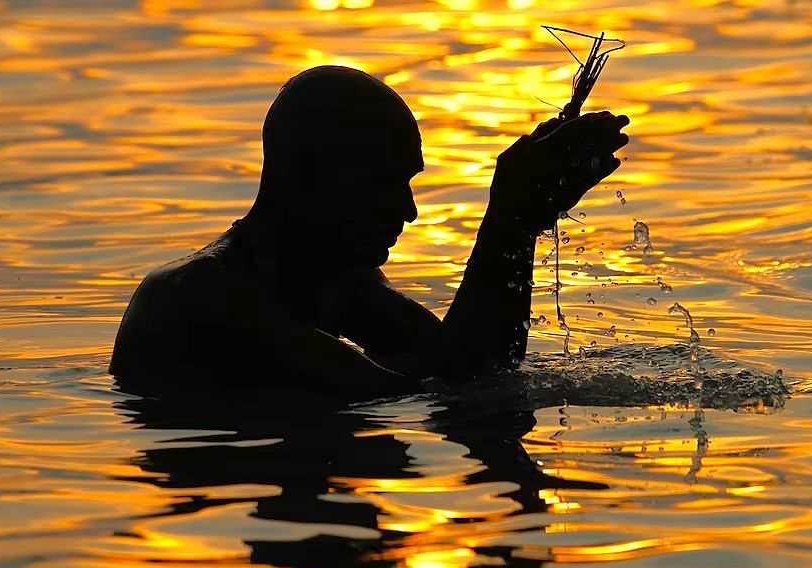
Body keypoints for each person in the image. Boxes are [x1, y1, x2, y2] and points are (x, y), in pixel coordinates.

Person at [110, 65, 629, 399]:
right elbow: (416, 397)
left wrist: (520, 224)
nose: (408, 212)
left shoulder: (341, 284)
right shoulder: (200, 297)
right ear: (308, 176)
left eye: (408, 184)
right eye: (383, 183)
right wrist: (506, 219)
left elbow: (471, 365)